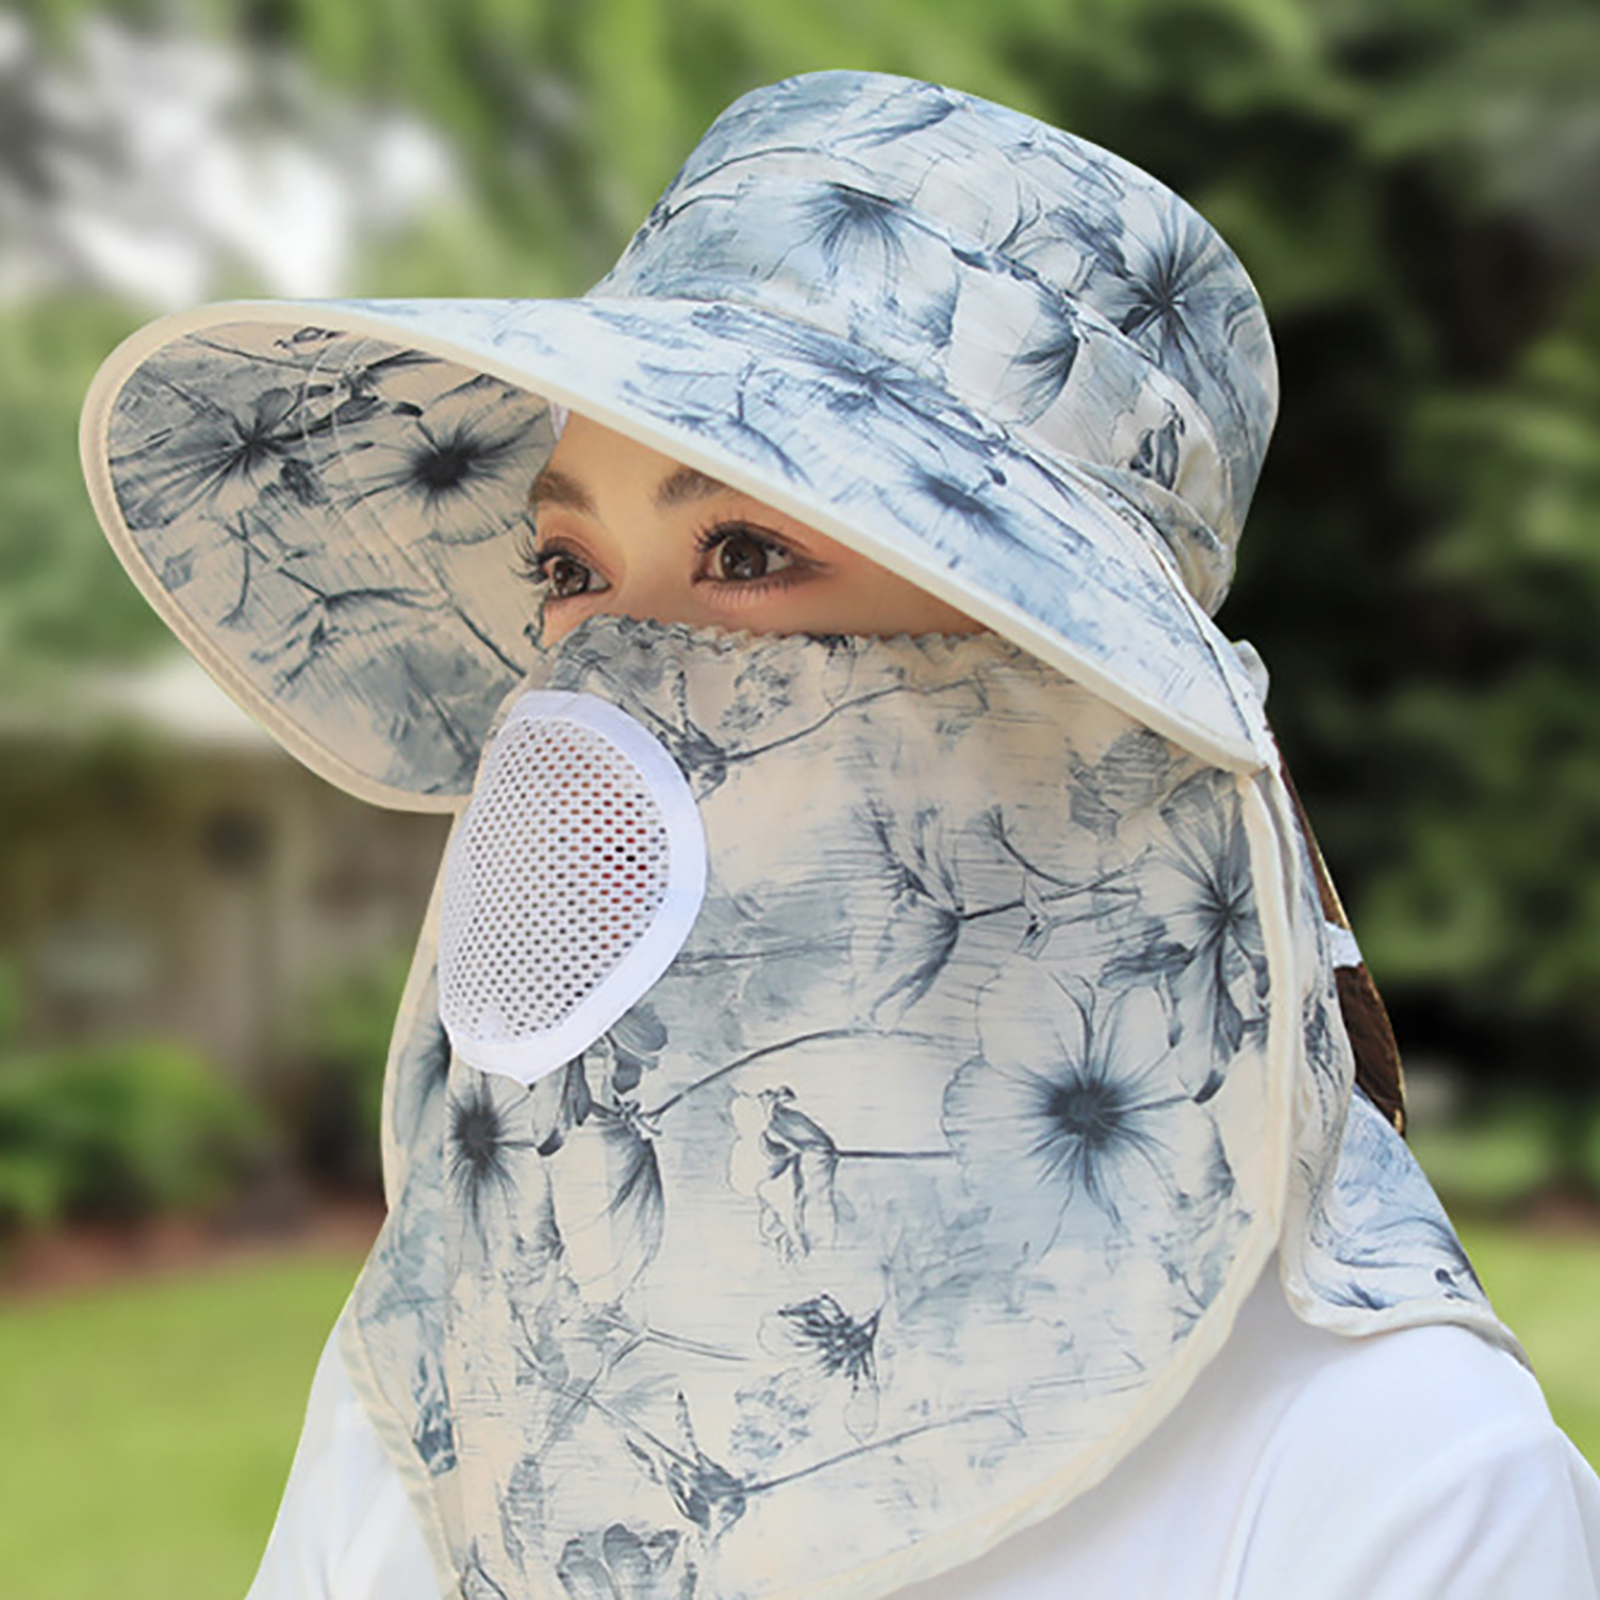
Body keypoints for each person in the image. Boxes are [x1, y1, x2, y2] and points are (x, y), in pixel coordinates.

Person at [79, 70, 1600, 1600]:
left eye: (747, 551)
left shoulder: (1388, 1480)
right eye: (568, 565)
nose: (603, 672)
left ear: (1071, 687)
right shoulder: (455, 1378)